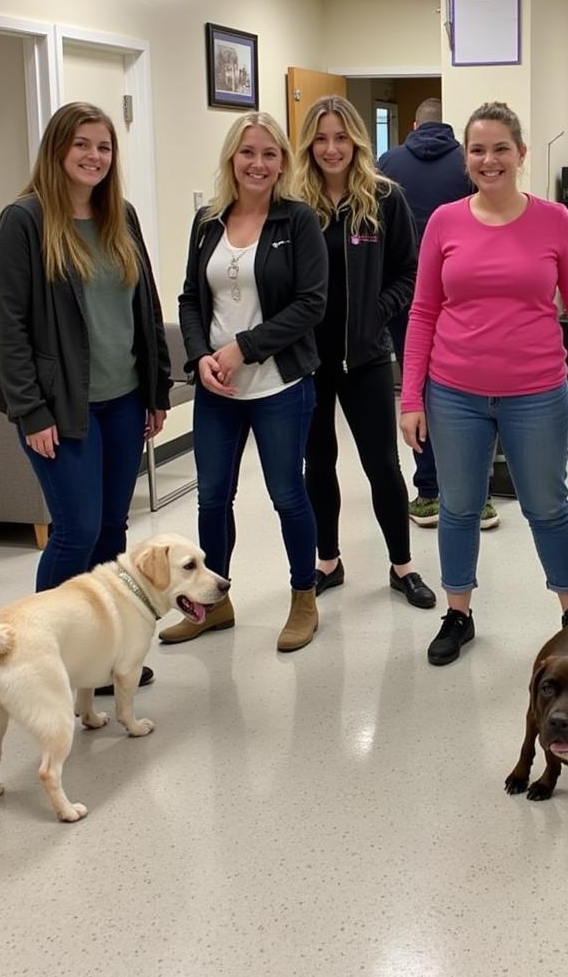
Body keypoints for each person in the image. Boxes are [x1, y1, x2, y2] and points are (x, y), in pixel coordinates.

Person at [399, 101, 568, 667]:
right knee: (458, 507)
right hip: (454, 391)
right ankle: (459, 612)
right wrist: (412, 396)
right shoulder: (445, 222)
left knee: (547, 506)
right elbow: (423, 312)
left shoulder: (554, 221)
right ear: (466, 158)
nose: (489, 160)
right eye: (477, 150)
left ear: (521, 154)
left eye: (500, 148)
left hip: (537, 392)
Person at [0, 101, 171, 690]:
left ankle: (101, 660)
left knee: (114, 530)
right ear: (58, 150)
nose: (95, 157)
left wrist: (155, 388)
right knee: (77, 529)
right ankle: (38, 660)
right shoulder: (24, 220)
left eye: (104, 146)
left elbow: (145, 309)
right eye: (82, 145)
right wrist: (30, 408)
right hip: (59, 409)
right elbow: (7, 326)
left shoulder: (123, 216)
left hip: (122, 401)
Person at [162, 112, 328, 653]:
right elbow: (191, 297)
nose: (258, 164)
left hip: (278, 383)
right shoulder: (208, 220)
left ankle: (304, 598)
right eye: (248, 153)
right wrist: (201, 357)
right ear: (232, 158)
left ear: (283, 162)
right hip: (218, 388)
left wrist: (244, 348)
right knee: (212, 498)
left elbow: (311, 304)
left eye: (270, 154)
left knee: (287, 494)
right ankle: (214, 603)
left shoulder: (298, 221)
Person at [294, 95, 436, 612]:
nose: (332, 149)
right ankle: (328, 561)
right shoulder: (294, 205)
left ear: (357, 141)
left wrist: (377, 311)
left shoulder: (383, 199)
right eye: (321, 138)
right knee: (319, 464)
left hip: (366, 356)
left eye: (341, 138)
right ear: (309, 143)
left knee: (382, 464)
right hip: (306, 359)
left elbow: (410, 271)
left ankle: (403, 566)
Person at [378, 98, 497, 531]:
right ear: (448, 128)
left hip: (404, 294)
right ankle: (477, 496)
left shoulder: (386, 162)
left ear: (413, 125)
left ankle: (427, 491)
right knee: (472, 390)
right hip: (461, 294)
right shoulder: (467, 165)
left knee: (419, 387)